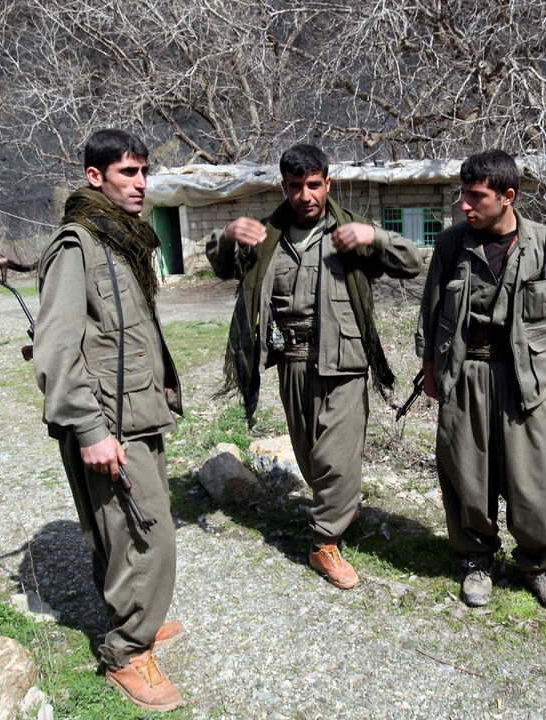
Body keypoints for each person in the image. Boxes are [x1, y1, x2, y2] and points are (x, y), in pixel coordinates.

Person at [206, 143, 422, 590]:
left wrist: (375, 237)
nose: (305, 195)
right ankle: (341, 507)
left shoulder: (349, 232)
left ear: (328, 181)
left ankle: (323, 541)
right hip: (294, 362)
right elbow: (222, 268)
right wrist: (227, 235)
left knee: (335, 459)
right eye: (295, 186)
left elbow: (412, 262)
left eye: (314, 185)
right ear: (283, 186)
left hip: (344, 362)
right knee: (309, 457)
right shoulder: (265, 236)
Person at [33, 129, 185, 712]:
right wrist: (90, 430)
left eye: (144, 172)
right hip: (108, 421)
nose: (141, 183)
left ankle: (136, 617)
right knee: (147, 535)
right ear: (95, 177)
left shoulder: (118, 240)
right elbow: (55, 348)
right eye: (128, 173)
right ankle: (128, 650)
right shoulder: (78, 245)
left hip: (136, 410)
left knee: (123, 531)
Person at [416, 150, 546, 614]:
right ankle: (477, 560)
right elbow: (431, 318)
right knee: (467, 473)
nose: (465, 206)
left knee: (538, 480)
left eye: (476, 197)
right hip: (466, 373)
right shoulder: (452, 245)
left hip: (526, 380)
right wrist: (432, 376)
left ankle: (538, 565)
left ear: (508, 196)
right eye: (463, 195)